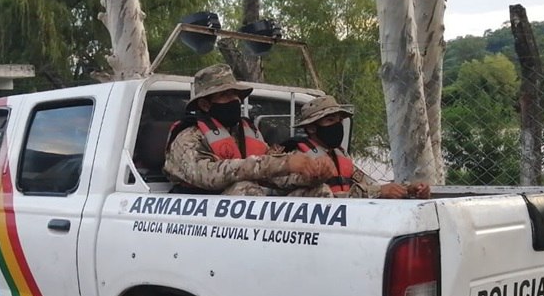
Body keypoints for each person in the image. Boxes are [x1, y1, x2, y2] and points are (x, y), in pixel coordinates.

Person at [164, 64, 336, 196]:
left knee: (318, 190)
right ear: (204, 104)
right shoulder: (187, 138)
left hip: (245, 211)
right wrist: (284, 163)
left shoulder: (245, 132)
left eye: (235, 95)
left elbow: (271, 175)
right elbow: (208, 176)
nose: (234, 100)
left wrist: (310, 174)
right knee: (245, 189)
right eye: (224, 95)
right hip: (200, 212)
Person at [283, 95, 431, 199]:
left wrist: (408, 190)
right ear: (311, 128)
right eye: (330, 120)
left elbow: (370, 184)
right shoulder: (298, 157)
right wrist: (379, 192)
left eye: (339, 120)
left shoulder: (339, 154)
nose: (337, 126)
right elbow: (325, 198)